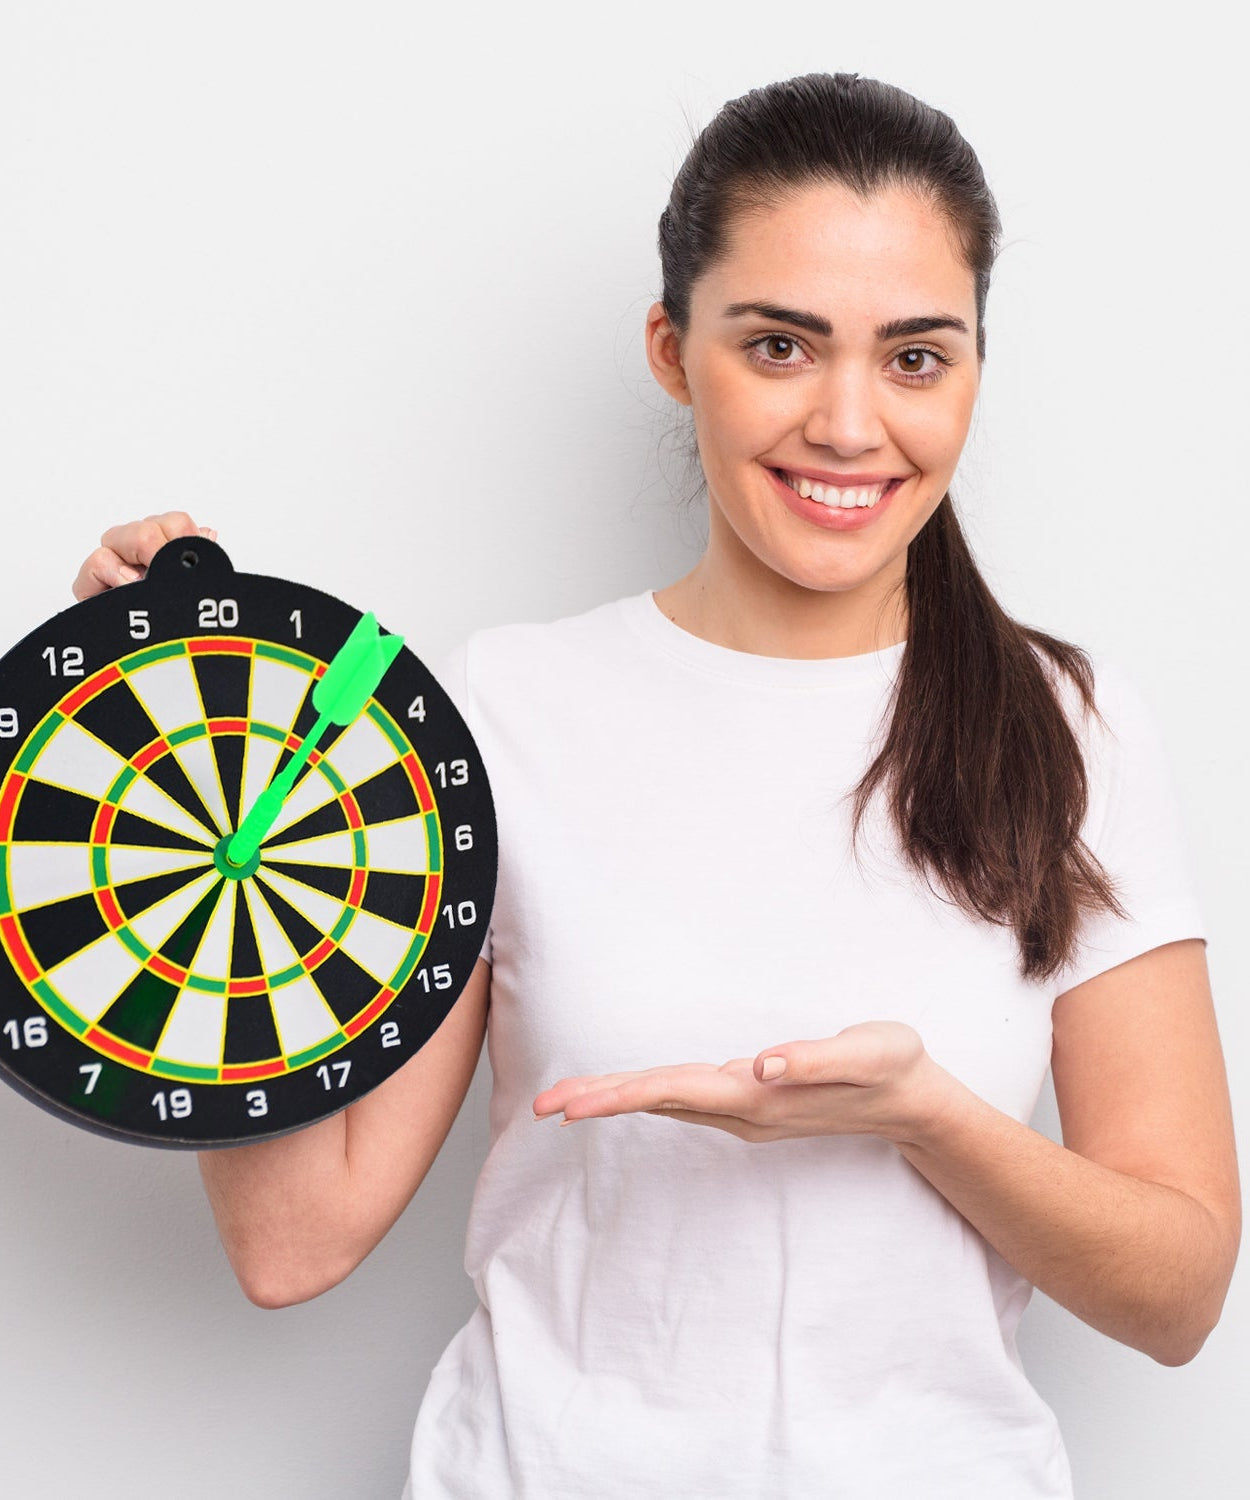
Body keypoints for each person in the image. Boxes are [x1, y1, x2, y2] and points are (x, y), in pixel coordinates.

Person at [73, 71, 1239, 1500]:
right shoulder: (489, 716)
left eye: (915, 357)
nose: (851, 425)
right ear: (672, 348)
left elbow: (1176, 1294)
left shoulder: (1072, 725)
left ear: (974, 371)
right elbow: (294, 1242)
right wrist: (176, 757)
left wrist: (920, 1116)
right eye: (781, 346)